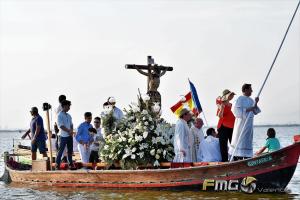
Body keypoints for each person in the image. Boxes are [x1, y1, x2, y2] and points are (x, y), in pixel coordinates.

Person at [228, 84, 261, 160]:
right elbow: (236, 111)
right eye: (250, 89)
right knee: (240, 142)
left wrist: (256, 102)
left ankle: (247, 159)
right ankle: (237, 159)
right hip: (241, 125)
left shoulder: (251, 100)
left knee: (247, 143)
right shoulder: (240, 99)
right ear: (245, 90)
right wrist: (249, 109)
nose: (252, 91)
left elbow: (255, 110)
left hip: (249, 125)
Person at [216, 89, 236, 162]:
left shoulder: (232, 105)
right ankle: (224, 162)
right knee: (223, 146)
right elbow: (220, 116)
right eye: (230, 95)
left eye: (232, 95)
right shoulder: (221, 104)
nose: (232, 96)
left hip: (232, 127)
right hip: (223, 127)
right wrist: (221, 109)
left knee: (234, 144)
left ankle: (236, 160)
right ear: (226, 96)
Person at [55, 100, 74, 169]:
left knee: (70, 151)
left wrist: (71, 130)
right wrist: (69, 130)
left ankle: (71, 164)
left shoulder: (69, 115)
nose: (69, 108)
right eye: (68, 106)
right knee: (60, 151)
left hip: (69, 136)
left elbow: (71, 124)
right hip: (62, 136)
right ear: (64, 106)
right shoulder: (59, 115)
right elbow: (60, 126)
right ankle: (57, 165)